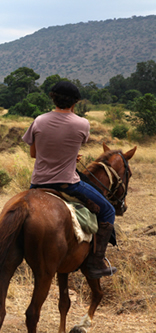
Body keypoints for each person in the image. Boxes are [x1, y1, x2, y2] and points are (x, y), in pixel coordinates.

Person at [22, 81, 117, 279]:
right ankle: (96, 263)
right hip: (67, 183)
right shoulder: (82, 124)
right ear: (75, 102)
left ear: (52, 98)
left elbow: (34, 154)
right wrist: (71, 158)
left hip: (38, 183)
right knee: (108, 210)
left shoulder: (39, 120)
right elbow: (71, 145)